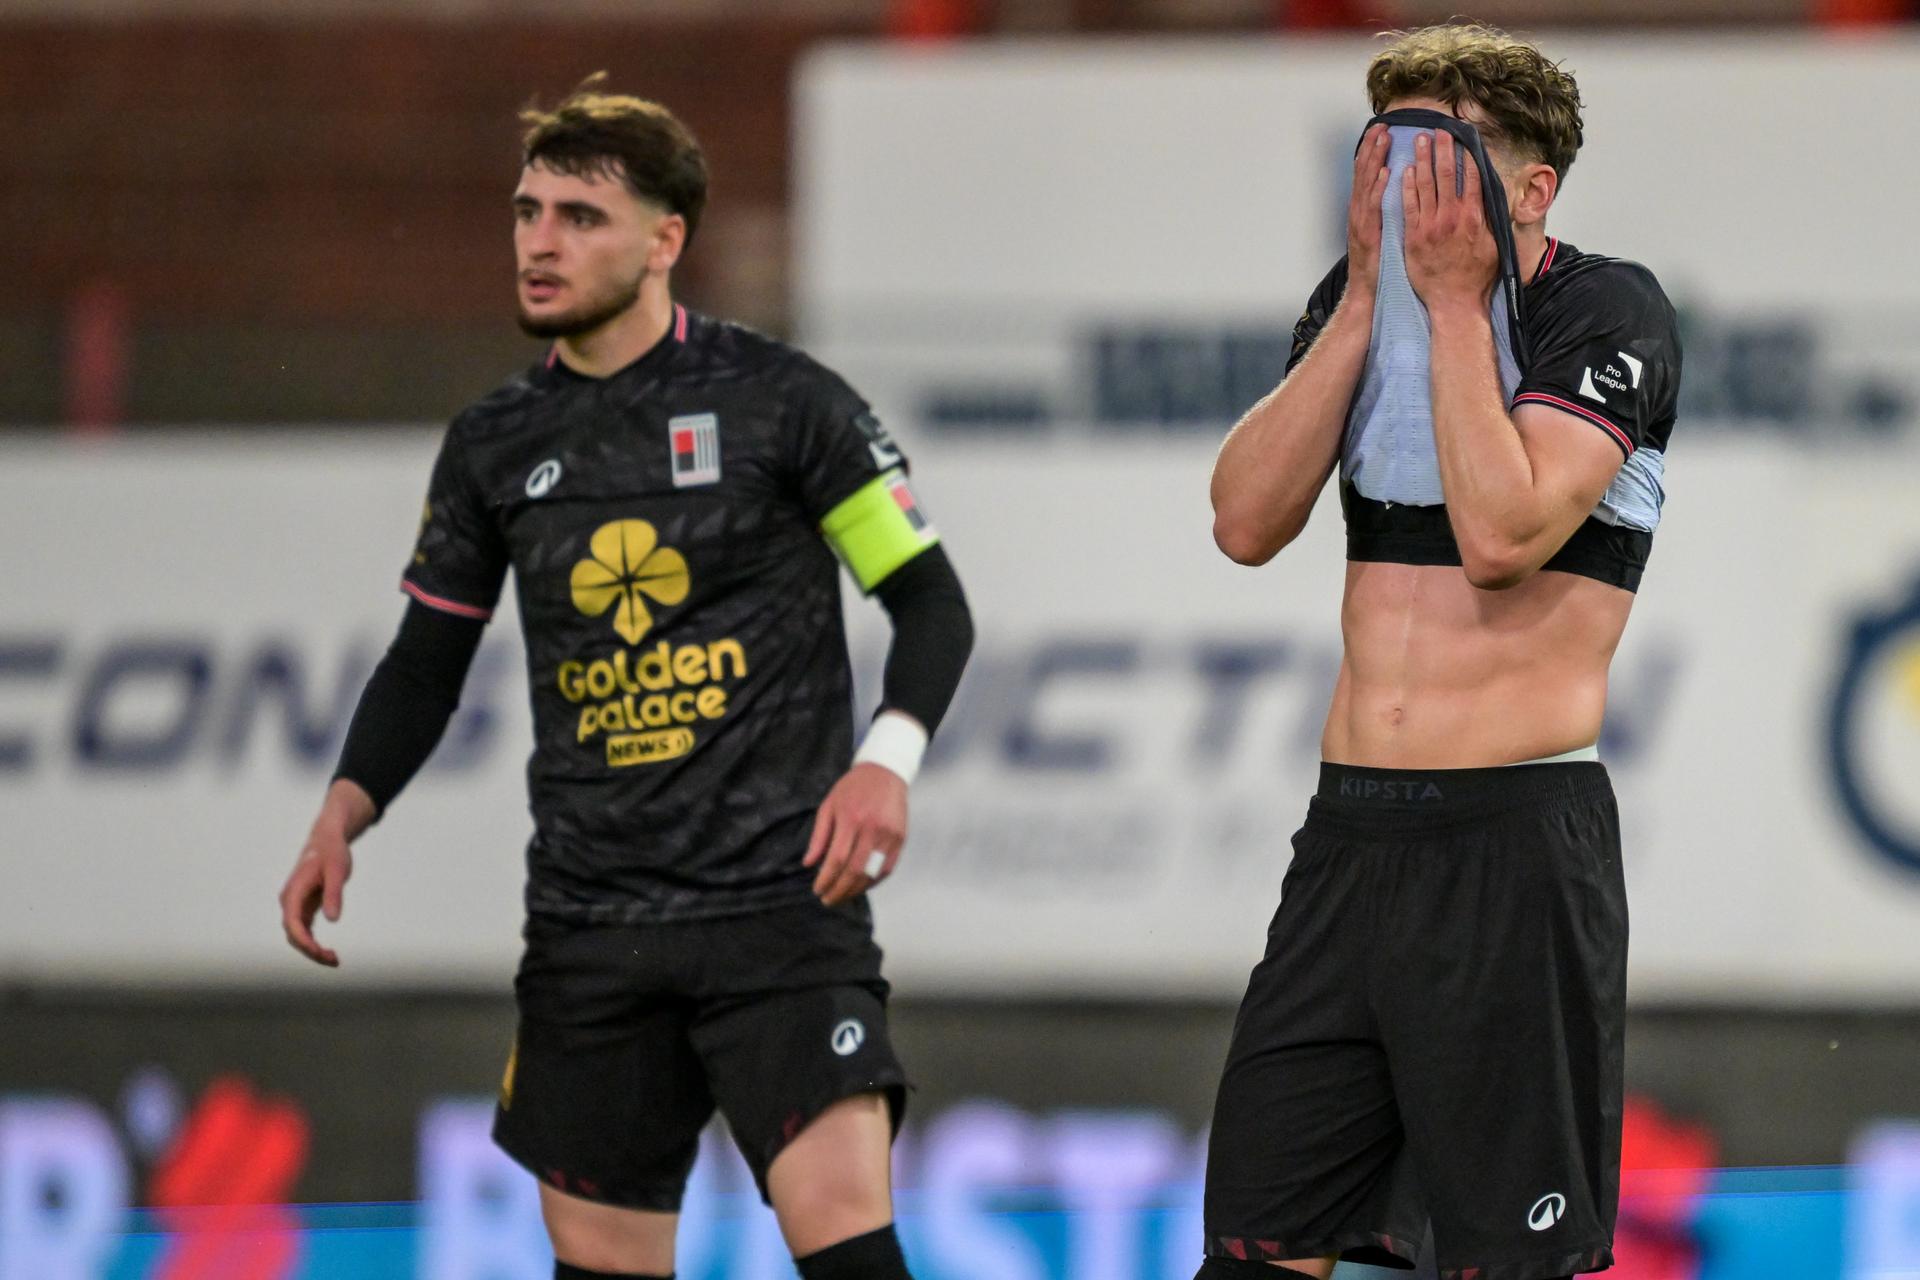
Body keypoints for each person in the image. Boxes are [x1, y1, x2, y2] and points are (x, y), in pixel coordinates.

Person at [277, 77, 972, 1280]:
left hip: (778, 912)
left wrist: (885, 760)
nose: (540, 242)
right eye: (527, 210)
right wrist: (347, 805)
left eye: (580, 217)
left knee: (853, 1256)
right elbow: (427, 657)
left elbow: (930, 601)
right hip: (593, 927)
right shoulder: (494, 444)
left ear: (667, 241)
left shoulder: (782, 405)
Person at [1200, 24, 1681, 1280]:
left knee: (1500, 1265)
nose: (1409, 187)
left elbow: (1505, 530)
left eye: (1442, 157)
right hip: (1350, 841)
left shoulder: (1605, 307)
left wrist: (1459, 305)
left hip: (1509, 848)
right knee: (1256, 1243)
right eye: (1391, 153)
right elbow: (1243, 521)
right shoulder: (1357, 307)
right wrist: (1367, 299)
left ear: (1529, 188)